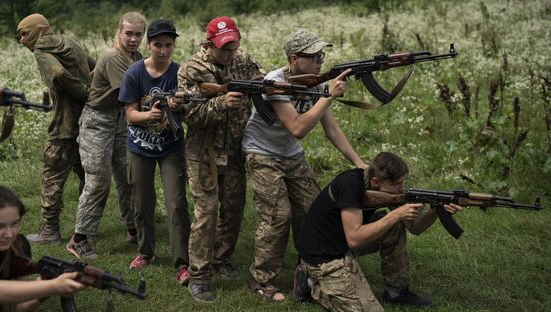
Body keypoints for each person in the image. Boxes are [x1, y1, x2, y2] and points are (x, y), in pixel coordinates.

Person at [242, 29, 366, 302]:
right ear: (294, 59)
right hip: (261, 153)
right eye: (314, 56)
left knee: (313, 211)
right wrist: (328, 96)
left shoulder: (317, 84)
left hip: (291, 155)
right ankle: (262, 279)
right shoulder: (273, 83)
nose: (321, 60)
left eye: (322, 54)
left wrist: (358, 163)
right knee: (277, 215)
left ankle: (308, 270)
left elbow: (331, 129)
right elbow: (297, 127)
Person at [294, 152, 463, 311]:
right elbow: (355, 239)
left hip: (342, 242)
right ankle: (310, 283)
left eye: (403, 182)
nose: (402, 188)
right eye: (397, 184)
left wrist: (436, 211)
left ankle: (396, 292)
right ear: (375, 182)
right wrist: (396, 214)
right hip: (322, 256)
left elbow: (415, 228)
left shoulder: (384, 188)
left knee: (394, 227)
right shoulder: (350, 184)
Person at [177, 16, 266, 302]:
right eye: (224, 48)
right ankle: (199, 276)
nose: (230, 53)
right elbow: (189, 114)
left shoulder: (243, 60)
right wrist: (220, 104)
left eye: (233, 46)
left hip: (236, 149)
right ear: (209, 44)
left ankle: (221, 259)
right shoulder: (192, 69)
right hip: (204, 152)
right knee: (206, 212)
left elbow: (264, 83)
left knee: (234, 208)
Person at [67, 12, 146, 260]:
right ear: (119, 32)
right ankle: (79, 238)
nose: (133, 39)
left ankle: (133, 229)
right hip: (98, 121)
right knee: (98, 180)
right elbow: (134, 92)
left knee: (128, 176)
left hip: (121, 119)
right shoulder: (113, 57)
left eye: (138, 34)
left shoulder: (137, 56)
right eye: (129, 33)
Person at [118, 19, 191, 285]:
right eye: (157, 44)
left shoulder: (181, 72)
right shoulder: (135, 72)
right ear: (148, 45)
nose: (163, 50)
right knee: (142, 203)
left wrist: (177, 106)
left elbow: (188, 107)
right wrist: (149, 114)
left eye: (168, 45)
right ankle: (145, 252)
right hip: (139, 147)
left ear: (174, 45)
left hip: (171, 146)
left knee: (176, 204)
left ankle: (183, 261)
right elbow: (129, 114)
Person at [17, 14, 94, 244]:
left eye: (24, 33)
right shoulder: (69, 42)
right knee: (85, 175)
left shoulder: (42, 49)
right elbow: (95, 65)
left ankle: (50, 230)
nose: (22, 40)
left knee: (52, 175)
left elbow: (59, 74)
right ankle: (85, 228)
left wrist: (81, 91)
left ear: (40, 30)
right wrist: (92, 93)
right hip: (87, 121)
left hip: (64, 125)